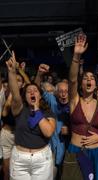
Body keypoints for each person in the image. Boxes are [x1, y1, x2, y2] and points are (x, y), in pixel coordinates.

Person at [64, 33, 98, 180]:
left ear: (96, 85)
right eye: (85, 78)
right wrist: (76, 56)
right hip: (76, 151)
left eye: (92, 78)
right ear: (82, 83)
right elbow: (72, 80)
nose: (89, 80)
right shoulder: (75, 101)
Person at [6, 51, 56, 180]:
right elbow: (15, 94)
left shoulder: (47, 112)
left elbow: (48, 132)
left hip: (42, 160)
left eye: (35, 90)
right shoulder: (20, 108)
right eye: (28, 91)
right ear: (25, 96)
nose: (32, 92)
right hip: (19, 160)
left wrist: (37, 109)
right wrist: (12, 72)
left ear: (40, 95)